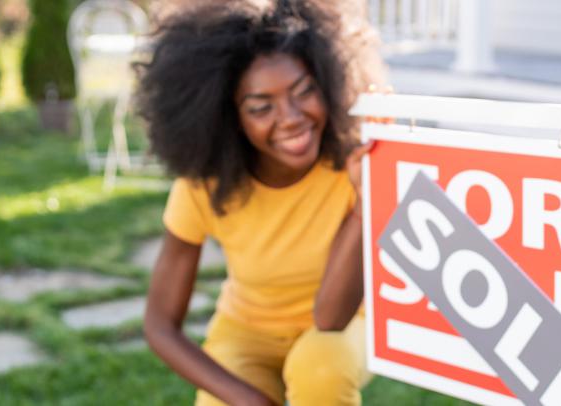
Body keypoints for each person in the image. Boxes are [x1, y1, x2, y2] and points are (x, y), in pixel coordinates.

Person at [135, 1, 383, 405]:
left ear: (329, 82)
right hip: (246, 331)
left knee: (320, 367)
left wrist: (364, 201)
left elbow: (331, 318)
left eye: (304, 91)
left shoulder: (352, 165)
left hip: (345, 325)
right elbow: (160, 325)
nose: (290, 118)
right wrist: (250, 399)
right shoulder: (205, 185)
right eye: (261, 107)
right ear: (228, 117)